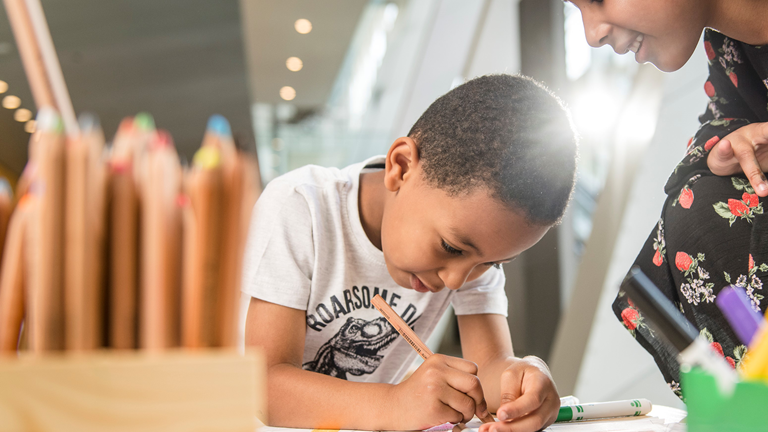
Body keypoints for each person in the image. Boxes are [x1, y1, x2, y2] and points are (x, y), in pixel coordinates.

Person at [242, 74, 578, 432]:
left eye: (491, 264)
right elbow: (264, 387)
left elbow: (490, 370)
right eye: (450, 248)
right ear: (400, 167)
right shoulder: (301, 207)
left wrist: (522, 382)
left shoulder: (473, 245)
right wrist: (394, 403)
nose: (455, 279)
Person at [568, 0, 768, 397]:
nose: (593, 35)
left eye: (597, 0)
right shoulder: (726, 44)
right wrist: (727, 146)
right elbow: (724, 115)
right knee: (700, 199)